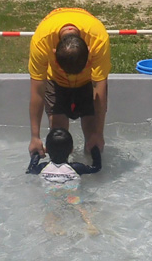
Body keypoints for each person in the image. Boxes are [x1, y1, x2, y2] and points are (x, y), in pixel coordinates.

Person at [28, 8, 110, 162]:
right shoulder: (41, 42)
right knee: (58, 128)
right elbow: (37, 91)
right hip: (56, 79)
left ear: (89, 51)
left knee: (91, 128)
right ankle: (60, 167)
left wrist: (99, 134)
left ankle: (91, 162)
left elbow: (100, 89)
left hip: (87, 80)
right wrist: (35, 137)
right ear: (54, 54)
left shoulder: (98, 39)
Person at [26, 128, 101, 234]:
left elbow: (30, 170)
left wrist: (37, 155)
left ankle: (52, 227)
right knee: (79, 206)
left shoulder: (42, 167)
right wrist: (94, 149)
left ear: (46, 149)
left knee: (51, 210)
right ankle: (89, 224)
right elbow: (96, 168)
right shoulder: (76, 168)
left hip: (51, 193)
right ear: (71, 150)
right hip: (71, 193)